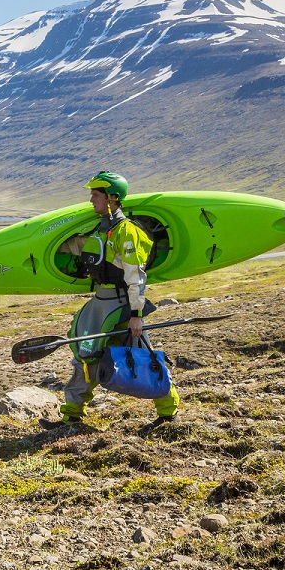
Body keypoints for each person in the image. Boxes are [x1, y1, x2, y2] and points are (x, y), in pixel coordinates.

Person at [40, 171, 180, 429]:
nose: (91, 200)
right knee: (86, 356)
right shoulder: (101, 230)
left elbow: (136, 276)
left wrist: (136, 315)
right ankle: (71, 416)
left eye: (96, 195)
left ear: (113, 198)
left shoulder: (127, 232)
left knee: (144, 357)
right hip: (101, 304)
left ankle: (169, 415)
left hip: (122, 307)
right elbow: (80, 248)